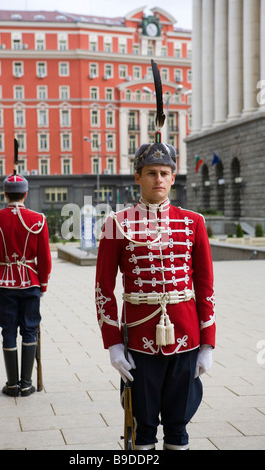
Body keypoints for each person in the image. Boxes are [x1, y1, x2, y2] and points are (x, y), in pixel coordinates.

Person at [95, 142, 216, 450]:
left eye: (165, 173)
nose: (158, 179)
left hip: (186, 337)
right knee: (143, 427)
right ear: (138, 177)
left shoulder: (193, 222)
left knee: (179, 426)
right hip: (139, 339)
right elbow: (103, 290)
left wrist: (208, 342)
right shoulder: (115, 224)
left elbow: (205, 286)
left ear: (174, 177)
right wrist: (113, 343)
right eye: (151, 173)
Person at [0, 173, 51, 397]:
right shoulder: (38, 219)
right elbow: (45, 258)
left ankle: (12, 385)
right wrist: (44, 283)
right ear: (26, 193)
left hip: (3, 282)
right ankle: (27, 384)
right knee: (30, 330)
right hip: (30, 281)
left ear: (5, 194)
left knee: (8, 330)